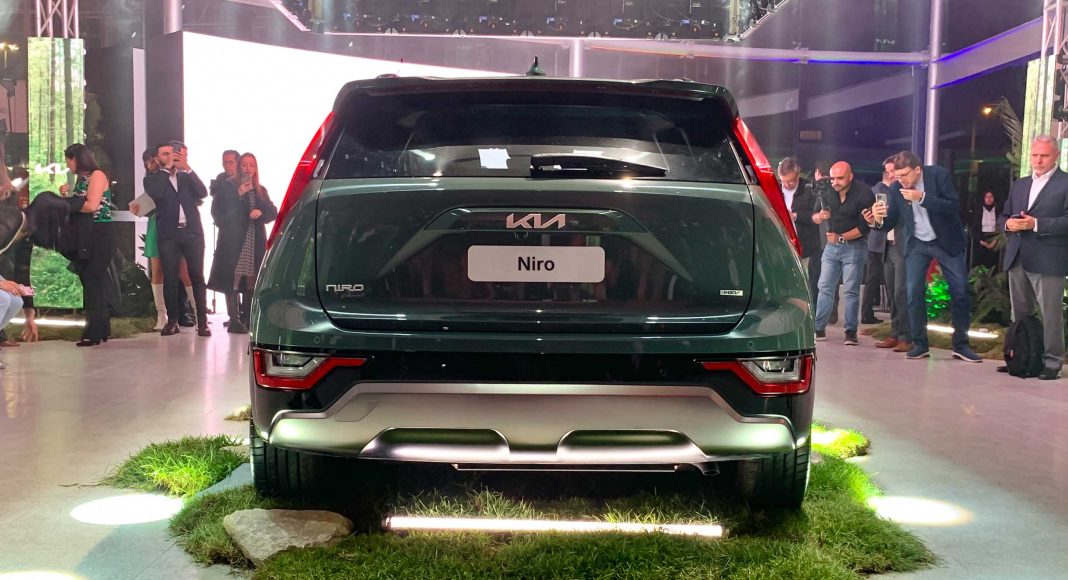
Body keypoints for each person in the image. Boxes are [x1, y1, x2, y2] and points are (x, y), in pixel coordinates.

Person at [867, 150, 982, 363]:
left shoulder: (938, 175)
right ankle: (919, 344)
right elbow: (889, 222)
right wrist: (876, 219)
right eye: (897, 176)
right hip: (917, 244)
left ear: (917, 170)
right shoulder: (896, 188)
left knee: (960, 291)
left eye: (904, 175)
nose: (900, 180)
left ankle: (961, 345)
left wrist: (922, 198)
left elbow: (952, 206)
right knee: (912, 292)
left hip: (945, 241)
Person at [998, 135, 1068, 380]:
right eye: (1035, 155)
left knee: (1051, 315)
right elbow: (1004, 214)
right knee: (1019, 314)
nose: (1038, 160)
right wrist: (1007, 224)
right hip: (1017, 256)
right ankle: (1022, 357)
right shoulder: (1021, 184)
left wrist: (1036, 224)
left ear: (1056, 155)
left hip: (1049, 260)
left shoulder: (1065, 183)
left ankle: (1052, 362)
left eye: (1044, 156)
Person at [145, 141, 211, 337]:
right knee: (170, 277)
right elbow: (156, 194)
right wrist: (166, 170)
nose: (170, 157)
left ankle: (202, 322)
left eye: (172, 153)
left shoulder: (185, 176)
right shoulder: (152, 179)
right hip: (169, 235)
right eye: (165, 154)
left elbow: (203, 192)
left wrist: (188, 168)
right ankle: (172, 321)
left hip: (192, 232)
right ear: (157, 159)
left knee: (196, 276)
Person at [208, 152, 277, 333]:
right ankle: (234, 319)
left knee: (251, 277)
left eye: (252, 165)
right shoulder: (228, 187)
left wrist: (261, 212)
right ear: (239, 167)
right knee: (232, 278)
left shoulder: (260, 189)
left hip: (254, 239)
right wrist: (237, 195)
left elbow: (272, 211)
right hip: (233, 241)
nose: (248, 169)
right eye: (244, 165)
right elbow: (218, 212)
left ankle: (247, 317)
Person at [811, 161, 874, 345]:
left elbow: (864, 228)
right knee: (824, 287)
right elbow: (814, 217)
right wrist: (820, 216)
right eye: (833, 178)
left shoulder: (863, 193)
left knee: (851, 290)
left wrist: (840, 238)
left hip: (854, 245)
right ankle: (818, 328)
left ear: (850, 176)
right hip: (831, 247)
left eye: (840, 178)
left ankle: (850, 332)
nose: (835, 182)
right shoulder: (826, 190)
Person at [60, 144, 115, 347]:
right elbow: (79, 205)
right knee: (91, 280)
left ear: (76, 159)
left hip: (100, 233)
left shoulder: (97, 175)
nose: (68, 166)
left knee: (93, 278)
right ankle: (101, 328)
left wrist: (65, 204)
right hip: (86, 234)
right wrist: (67, 198)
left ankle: (94, 331)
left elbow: (91, 205)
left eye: (68, 161)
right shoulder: (82, 179)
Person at [871, 157, 911, 352]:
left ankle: (906, 336)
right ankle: (895, 334)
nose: (891, 174)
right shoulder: (884, 193)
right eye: (888, 172)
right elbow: (880, 223)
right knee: (892, 292)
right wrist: (874, 216)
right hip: (887, 246)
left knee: (901, 292)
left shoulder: (906, 192)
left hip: (903, 246)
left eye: (893, 170)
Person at [777, 158, 821, 287]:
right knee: (784, 283)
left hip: (805, 246)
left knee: (806, 283)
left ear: (798, 174)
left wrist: (795, 216)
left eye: (790, 181)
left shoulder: (809, 188)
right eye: (783, 181)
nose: (786, 185)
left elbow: (816, 216)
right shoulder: (775, 188)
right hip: (781, 245)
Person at [973, 190, 1000, 270]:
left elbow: (1000, 227)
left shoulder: (997, 211)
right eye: (987, 197)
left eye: (991, 197)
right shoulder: (979, 211)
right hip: (981, 239)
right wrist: (982, 242)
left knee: (992, 263)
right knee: (980, 263)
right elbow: (975, 228)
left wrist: (994, 242)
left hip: (994, 239)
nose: (989, 199)